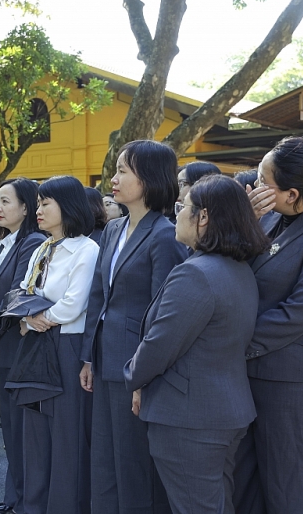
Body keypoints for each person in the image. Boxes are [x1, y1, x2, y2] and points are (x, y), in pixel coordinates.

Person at [125, 175, 269, 514]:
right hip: (221, 411)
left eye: (182, 207)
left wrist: (133, 377)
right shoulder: (238, 268)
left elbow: (160, 344)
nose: (177, 214)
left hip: (189, 418)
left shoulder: (196, 273)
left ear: (203, 217)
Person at [80, 140, 188, 514]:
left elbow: (164, 314)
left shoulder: (165, 235)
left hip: (136, 366)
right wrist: (87, 358)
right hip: (104, 358)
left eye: (123, 170)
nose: (113, 178)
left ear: (150, 178)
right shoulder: (113, 229)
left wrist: (144, 375)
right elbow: (98, 297)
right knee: (105, 459)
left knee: (133, 463)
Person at [13, 176, 99, 514]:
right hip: (36, 344)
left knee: (66, 437)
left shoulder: (87, 249)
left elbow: (73, 304)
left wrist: (34, 317)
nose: (39, 210)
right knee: (35, 434)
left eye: (45, 203)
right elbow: (21, 292)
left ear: (68, 206)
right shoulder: (42, 248)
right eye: (38, 204)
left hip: (66, 348)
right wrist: (27, 318)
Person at [234, 136, 303, 514]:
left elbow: (298, 312)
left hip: (287, 382)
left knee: (286, 484)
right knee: (245, 484)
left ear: (293, 194)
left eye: (264, 182)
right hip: (244, 374)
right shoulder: (268, 219)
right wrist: (243, 220)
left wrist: (231, 342)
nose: (256, 189)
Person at [0, 178, 45, 513]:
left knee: (20, 429)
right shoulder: (6, 241)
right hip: (2, 344)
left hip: (17, 345)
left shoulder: (32, 242)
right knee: (10, 429)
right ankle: (15, 496)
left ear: (26, 207)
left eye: (5, 201)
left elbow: (16, 296)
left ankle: (25, 499)